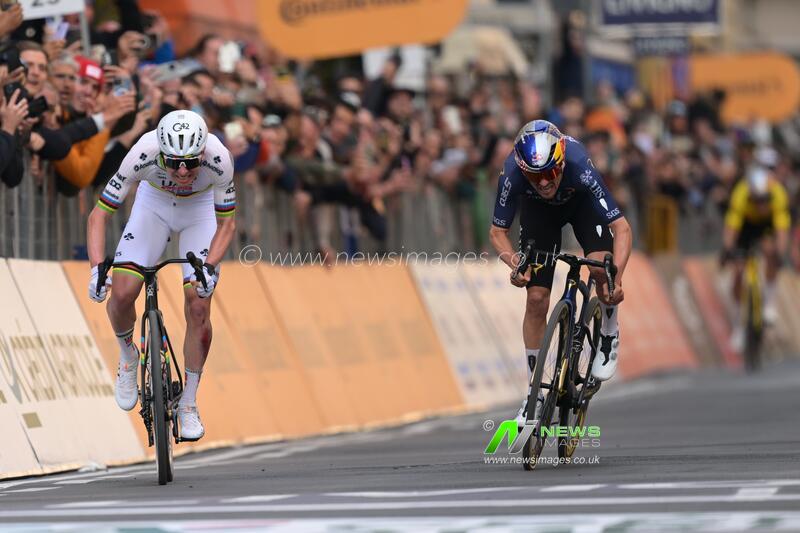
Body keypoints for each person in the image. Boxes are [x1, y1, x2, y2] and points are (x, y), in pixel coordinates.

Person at [86, 109, 236, 441]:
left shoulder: (219, 157)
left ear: (202, 154)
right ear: (161, 153)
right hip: (152, 206)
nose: (183, 170)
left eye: (191, 163)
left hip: (198, 211)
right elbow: (99, 214)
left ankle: (188, 403)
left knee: (198, 303)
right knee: (123, 292)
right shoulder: (143, 151)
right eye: (173, 162)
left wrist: (209, 267)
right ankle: (128, 355)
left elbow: (227, 223)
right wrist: (97, 267)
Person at [488, 120, 632, 428]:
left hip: (581, 206)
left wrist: (616, 279)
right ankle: (534, 394)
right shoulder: (512, 173)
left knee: (601, 271)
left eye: (550, 173)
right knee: (537, 298)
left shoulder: (579, 164)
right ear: (521, 168)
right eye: (534, 176)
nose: (542, 183)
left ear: (561, 159)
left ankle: (608, 333)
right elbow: (498, 232)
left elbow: (621, 228)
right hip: (540, 214)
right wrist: (515, 263)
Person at [722, 163, 790, 351]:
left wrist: (779, 254)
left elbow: (782, 231)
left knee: (771, 251)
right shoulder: (741, 194)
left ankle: (769, 304)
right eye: (756, 200)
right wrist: (729, 250)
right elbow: (731, 229)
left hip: (767, 225)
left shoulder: (777, 194)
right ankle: (738, 328)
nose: (761, 204)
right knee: (737, 271)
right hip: (746, 225)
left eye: (764, 200)